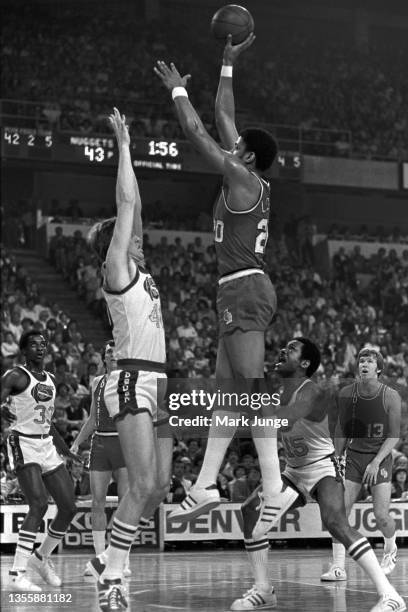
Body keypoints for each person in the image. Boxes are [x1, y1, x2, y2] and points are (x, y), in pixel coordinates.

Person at [154, 35, 284, 537]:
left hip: (246, 288)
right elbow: (225, 116)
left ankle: (273, 484)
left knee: (250, 391)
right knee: (227, 394)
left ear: (246, 158)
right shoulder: (249, 173)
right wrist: (227, 64)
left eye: (238, 147)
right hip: (234, 289)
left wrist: (176, 92)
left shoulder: (242, 181)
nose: (232, 145)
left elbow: (198, 133)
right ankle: (205, 484)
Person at [229, 338, 405, 612]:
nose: (283, 350)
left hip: (322, 466)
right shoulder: (278, 392)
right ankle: (264, 590)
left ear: (305, 363)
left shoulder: (313, 391)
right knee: (249, 509)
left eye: (291, 349)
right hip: (294, 469)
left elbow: (284, 419)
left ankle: (390, 595)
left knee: (336, 521)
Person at [87, 108, 173, 611]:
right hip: (131, 379)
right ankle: (113, 575)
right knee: (140, 483)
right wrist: (122, 144)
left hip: (159, 382)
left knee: (158, 486)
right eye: (125, 232)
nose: (136, 231)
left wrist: (133, 150)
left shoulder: (140, 268)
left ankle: (112, 561)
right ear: (113, 245)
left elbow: (134, 204)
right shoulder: (116, 268)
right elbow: (125, 203)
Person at [2, 330, 79, 592]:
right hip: (22, 441)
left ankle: (41, 558)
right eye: (33, 344)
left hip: (46, 443)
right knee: (38, 504)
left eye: (43, 343)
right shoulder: (15, 376)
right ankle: (17, 574)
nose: (40, 347)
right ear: (24, 349)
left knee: (69, 507)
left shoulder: (51, 379)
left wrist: (65, 449)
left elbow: (47, 420)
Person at [321, 348, 402, 581]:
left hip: (380, 457)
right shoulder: (348, 394)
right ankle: (338, 567)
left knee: (381, 516)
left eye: (370, 361)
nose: (364, 364)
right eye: (361, 360)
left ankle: (390, 548)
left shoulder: (390, 396)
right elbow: (342, 429)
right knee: (339, 514)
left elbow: (394, 435)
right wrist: (336, 457)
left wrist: (376, 462)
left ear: (378, 369)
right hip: (354, 457)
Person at [70, 341, 132, 577]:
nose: (113, 354)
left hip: (124, 441)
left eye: (116, 351)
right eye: (108, 352)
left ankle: (121, 559)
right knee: (97, 502)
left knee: (126, 503)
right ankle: (99, 558)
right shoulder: (97, 382)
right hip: (100, 442)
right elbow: (93, 420)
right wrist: (76, 442)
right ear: (104, 358)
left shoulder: (129, 379)